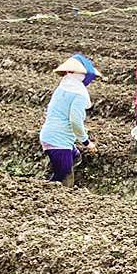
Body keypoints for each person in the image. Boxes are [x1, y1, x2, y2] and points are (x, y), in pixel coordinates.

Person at [38, 54, 100, 185]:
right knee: (64, 181)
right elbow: (75, 121)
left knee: (75, 156)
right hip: (58, 142)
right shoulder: (79, 94)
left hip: (50, 135)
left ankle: (59, 169)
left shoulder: (63, 87)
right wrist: (86, 142)